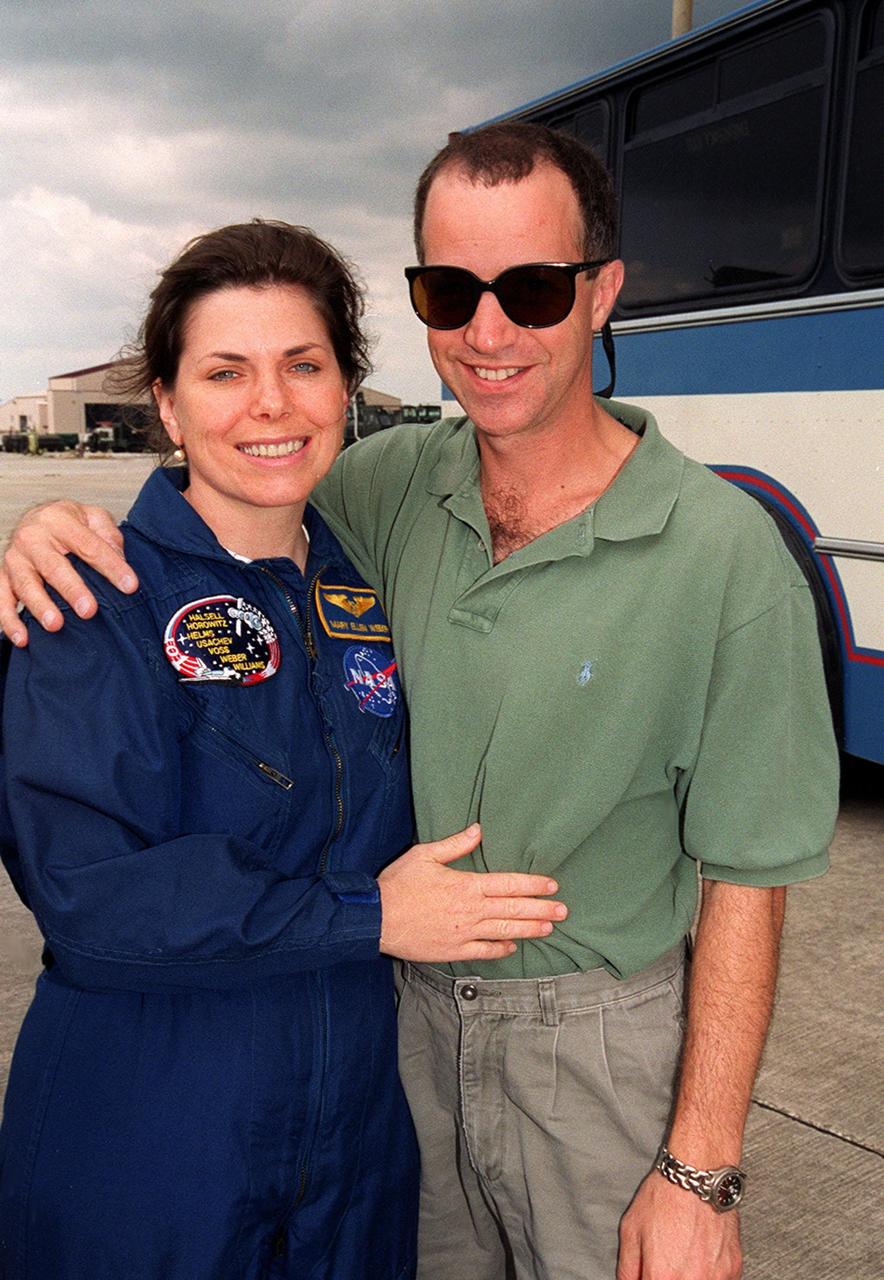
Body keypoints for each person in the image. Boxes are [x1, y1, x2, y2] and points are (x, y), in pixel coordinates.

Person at [0, 125, 839, 1280]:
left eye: (532, 289)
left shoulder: (715, 557)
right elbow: (92, 880)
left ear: (599, 295)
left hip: (532, 1077)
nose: (488, 332)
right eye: (451, 291)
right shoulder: (347, 504)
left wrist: (699, 1165)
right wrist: (48, 533)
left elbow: (751, 867)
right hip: (310, 1081)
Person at [0, 219, 566, 1280]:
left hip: (350, 1137)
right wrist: (374, 914)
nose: (270, 402)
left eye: (301, 365)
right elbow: (91, 890)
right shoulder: (91, 596)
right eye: (225, 371)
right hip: (150, 1135)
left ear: (343, 384)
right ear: (165, 402)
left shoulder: (369, 586)